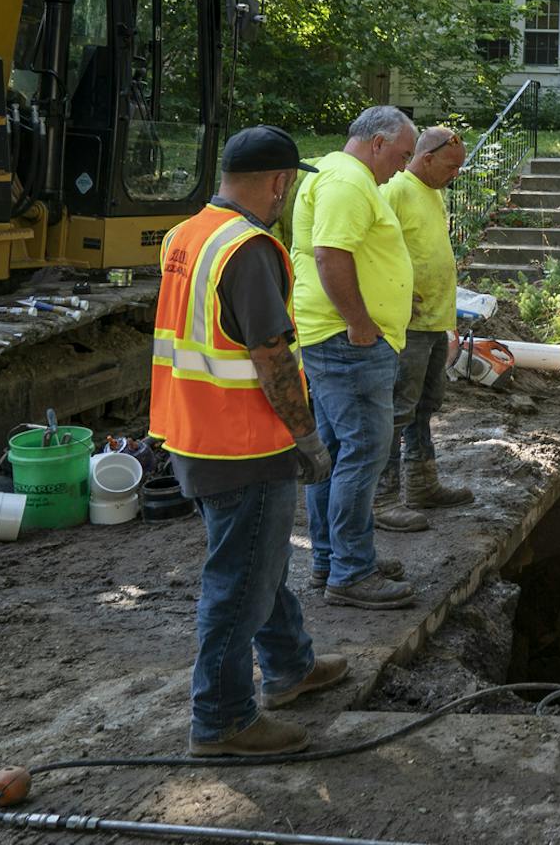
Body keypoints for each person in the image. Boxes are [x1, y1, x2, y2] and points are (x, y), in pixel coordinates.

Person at [149, 125, 346, 757]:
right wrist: (308, 437)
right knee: (238, 583)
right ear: (280, 181)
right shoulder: (250, 249)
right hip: (245, 446)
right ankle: (223, 720)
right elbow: (271, 357)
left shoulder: (187, 234)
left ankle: (290, 666)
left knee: (260, 563)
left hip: (191, 433)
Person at [290, 105, 418, 608]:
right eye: (403, 155)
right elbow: (330, 255)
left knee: (336, 456)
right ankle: (351, 571)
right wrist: (361, 324)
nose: (404, 167)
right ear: (379, 143)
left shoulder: (341, 175)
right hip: (349, 344)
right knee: (364, 452)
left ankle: (334, 559)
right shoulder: (346, 182)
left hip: (336, 340)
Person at [379, 125, 475, 516]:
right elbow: (377, 250)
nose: (455, 175)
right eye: (451, 166)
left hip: (435, 320)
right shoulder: (396, 191)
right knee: (400, 406)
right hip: (409, 323)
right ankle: (384, 497)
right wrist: (395, 293)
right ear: (427, 158)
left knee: (426, 403)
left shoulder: (433, 194)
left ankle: (421, 484)